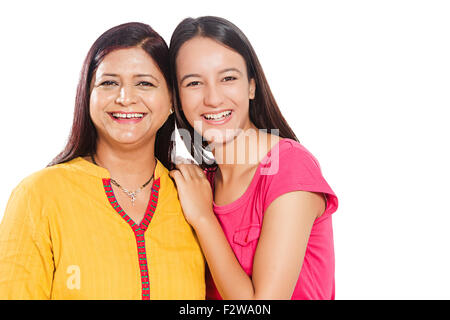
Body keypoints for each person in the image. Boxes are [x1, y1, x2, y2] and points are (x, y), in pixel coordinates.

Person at [0, 22, 205, 300]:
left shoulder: (196, 196)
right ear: (88, 96)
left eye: (144, 83)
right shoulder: (38, 196)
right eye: (109, 83)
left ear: (172, 100)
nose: (125, 98)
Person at [168, 16, 338, 300]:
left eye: (228, 78)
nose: (213, 98)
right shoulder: (200, 183)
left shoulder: (289, 167)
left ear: (251, 86)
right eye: (194, 83)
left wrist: (204, 218)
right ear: (177, 99)